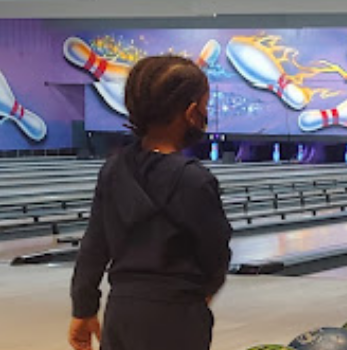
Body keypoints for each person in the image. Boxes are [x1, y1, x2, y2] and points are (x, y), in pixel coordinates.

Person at [68, 55, 232, 350]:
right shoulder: (195, 180)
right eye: (205, 107)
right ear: (191, 113)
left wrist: (84, 308)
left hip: (122, 312)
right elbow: (216, 253)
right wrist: (202, 294)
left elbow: (93, 246)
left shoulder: (113, 169)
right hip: (177, 312)